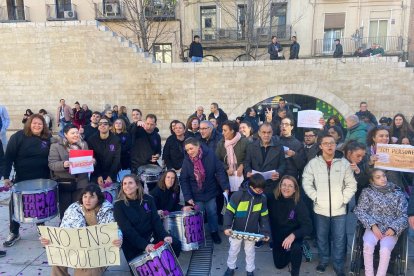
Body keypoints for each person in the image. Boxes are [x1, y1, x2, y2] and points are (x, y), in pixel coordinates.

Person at [302, 134, 357, 276]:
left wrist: (343, 200)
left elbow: (351, 184)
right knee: (321, 237)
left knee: (339, 238)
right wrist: (316, 197)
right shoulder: (314, 163)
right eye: (325, 143)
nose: (329, 146)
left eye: (332, 143)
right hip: (320, 208)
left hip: (339, 209)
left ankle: (339, 264)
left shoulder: (343, 163)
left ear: (335, 144)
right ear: (320, 146)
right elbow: (306, 182)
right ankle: (324, 260)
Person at [40, 184, 122, 276]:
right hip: (75, 249)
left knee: (86, 271)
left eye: (91, 197)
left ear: (98, 199)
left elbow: (115, 230)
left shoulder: (107, 211)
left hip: (95, 254)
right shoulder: (73, 209)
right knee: (57, 263)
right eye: (85, 196)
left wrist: (118, 239)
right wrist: (49, 240)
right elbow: (63, 231)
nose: (87, 200)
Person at [3, 114, 51, 247]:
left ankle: (42, 230)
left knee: (40, 205)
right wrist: (6, 177)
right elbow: (8, 158)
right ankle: (14, 232)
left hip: (42, 179)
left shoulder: (48, 138)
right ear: (29, 123)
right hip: (22, 178)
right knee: (15, 205)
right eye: (34, 123)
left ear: (44, 126)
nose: (37, 126)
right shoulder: (18, 136)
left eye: (40, 124)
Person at [114, 174, 181, 263]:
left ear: (137, 185)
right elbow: (128, 230)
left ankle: (169, 265)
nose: (127, 186)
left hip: (151, 236)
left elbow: (156, 221)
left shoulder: (148, 199)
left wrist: (164, 235)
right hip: (133, 243)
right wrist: (145, 245)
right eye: (124, 184)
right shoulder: (118, 205)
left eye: (130, 183)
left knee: (175, 244)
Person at [353, 169, 408, 276]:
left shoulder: (397, 193)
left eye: (383, 176)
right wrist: (372, 225)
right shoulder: (367, 192)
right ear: (372, 181)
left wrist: (393, 228)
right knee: (368, 246)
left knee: (384, 250)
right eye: (378, 177)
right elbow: (359, 210)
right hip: (373, 227)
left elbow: (404, 214)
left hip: (390, 229)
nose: (382, 178)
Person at [180, 138, 230, 244]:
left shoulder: (210, 154)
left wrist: (225, 186)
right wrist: (188, 196)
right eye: (187, 150)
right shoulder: (187, 160)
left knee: (212, 212)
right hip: (196, 193)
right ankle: (198, 235)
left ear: (198, 146)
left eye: (191, 148)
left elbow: (219, 170)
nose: (189, 152)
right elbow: (184, 179)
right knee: (198, 214)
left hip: (210, 191)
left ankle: (214, 232)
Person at [223, 174, 271, 276]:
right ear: (251, 187)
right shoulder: (238, 195)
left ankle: (250, 270)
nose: (261, 192)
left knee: (250, 252)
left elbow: (264, 217)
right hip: (236, 230)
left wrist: (265, 232)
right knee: (233, 250)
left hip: (252, 231)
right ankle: (230, 268)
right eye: (258, 190)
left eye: (262, 189)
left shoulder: (262, 199)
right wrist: (227, 227)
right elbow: (229, 212)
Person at [268, 175, 312, 276]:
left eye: (290, 186)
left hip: (294, 236)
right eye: (284, 185)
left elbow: (308, 226)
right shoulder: (272, 198)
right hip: (278, 237)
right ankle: (292, 251)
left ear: (295, 189)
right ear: (280, 186)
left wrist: (293, 235)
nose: (286, 188)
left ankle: (295, 269)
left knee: (296, 249)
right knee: (279, 264)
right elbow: (257, 195)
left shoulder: (298, 203)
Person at [49, 124, 90, 219]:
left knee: (79, 210)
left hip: (81, 183)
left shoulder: (84, 144)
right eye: (72, 133)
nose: (76, 135)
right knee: (65, 211)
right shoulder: (56, 146)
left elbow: (87, 162)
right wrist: (64, 164)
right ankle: (65, 230)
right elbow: (52, 164)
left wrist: (92, 162)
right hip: (65, 183)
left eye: (77, 132)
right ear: (65, 134)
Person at [244, 123, 286, 198]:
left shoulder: (279, 147)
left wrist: (278, 173)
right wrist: (248, 171)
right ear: (259, 133)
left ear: (272, 133)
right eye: (264, 132)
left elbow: (283, 164)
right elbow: (247, 162)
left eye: (269, 132)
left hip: (272, 185)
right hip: (255, 184)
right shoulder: (251, 147)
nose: (266, 135)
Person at [216, 120, 249, 191]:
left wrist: (242, 165)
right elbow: (217, 160)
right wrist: (226, 168)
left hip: (243, 177)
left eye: (225, 130)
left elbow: (250, 157)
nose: (222, 133)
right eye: (222, 130)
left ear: (232, 131)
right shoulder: (221, 144)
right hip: (227, 178)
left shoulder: (245, 141)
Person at [87, 117, 121, 186]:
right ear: (98, 127)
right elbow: (92, 158)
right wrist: (98, 175)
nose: (102, 125)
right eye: (100, 124)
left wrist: (110, 176)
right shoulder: (91, 140)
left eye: (105, 124)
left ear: (110, 127)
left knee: (110, 195)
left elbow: (116, 159)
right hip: (96, 174)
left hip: (111, 173)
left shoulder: (116, 140)